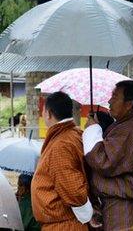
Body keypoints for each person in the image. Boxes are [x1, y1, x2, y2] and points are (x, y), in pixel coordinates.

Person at [83, 80, 133, 230]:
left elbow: (103, 161)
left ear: (129, 104)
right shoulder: (126, 125)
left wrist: (92, 130)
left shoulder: (129, 129)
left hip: (124, 208)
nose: (109, 101)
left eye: (114, 97)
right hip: (116, 205)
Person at [31, 91, 92, 230]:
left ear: (49, 113)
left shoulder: (61, 144)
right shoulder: (73, 133)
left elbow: (73, 189)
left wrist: (87, 215)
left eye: (43, 111)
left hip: (64, 224)